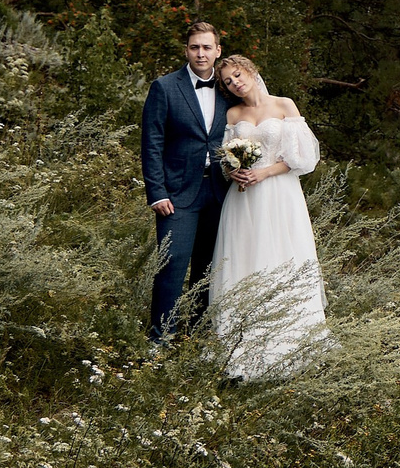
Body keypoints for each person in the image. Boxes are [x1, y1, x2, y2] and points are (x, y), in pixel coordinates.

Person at [207, 53, 330, 377]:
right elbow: (224, 157)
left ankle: (290, 347)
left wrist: (264, 173)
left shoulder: (284, 105)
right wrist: (234, 171)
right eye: (228, 81)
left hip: (279, 194)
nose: (235, 83)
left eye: (237, 75)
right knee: (244, 260)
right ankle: (240, 349)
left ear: (250, 70)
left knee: (281, 257)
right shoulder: (233, 113)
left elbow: (301, 158)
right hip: (244, 199)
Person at [140, 21, 236, 341]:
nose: (200, 53)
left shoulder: (228, 90)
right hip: (177, 194)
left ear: (217, 51)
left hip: (221, 192)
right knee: (171, 266)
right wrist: (156, 192)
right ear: (186, 50)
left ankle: (196, 335)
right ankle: (161, 340)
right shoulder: (165, 87)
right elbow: (151, 143)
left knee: (207, 270)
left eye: (207, 47)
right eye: (194, 47)